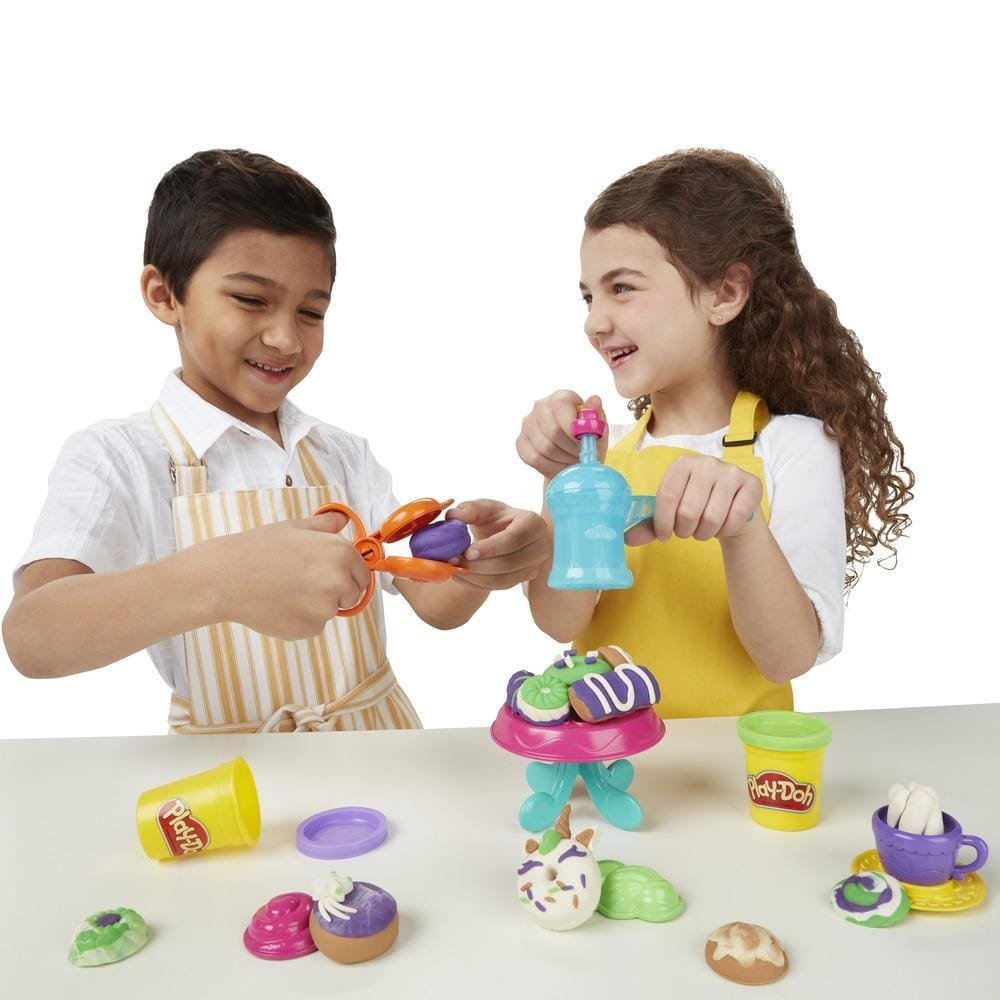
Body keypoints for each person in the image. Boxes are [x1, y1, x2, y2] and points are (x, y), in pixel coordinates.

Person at [3, 148, 548, 734]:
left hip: (378, 747)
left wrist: (478, 561)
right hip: (229, 770)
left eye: (311, 312)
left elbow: (434, 604)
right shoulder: (119, 457)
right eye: (251, 299)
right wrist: (220, 578)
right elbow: (33, 637)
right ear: (165, 295)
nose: (286, 338)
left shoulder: (341, 454)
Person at [516, 149, 914, 719]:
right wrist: (567, 483)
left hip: (744, 762)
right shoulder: (604, 457)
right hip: (616, 757)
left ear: (725, 294)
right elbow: (559, 621)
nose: (594, 322)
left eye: (622, 288)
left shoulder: (794, 446)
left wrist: (742, 527)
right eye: (588, 296)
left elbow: (787, 658)